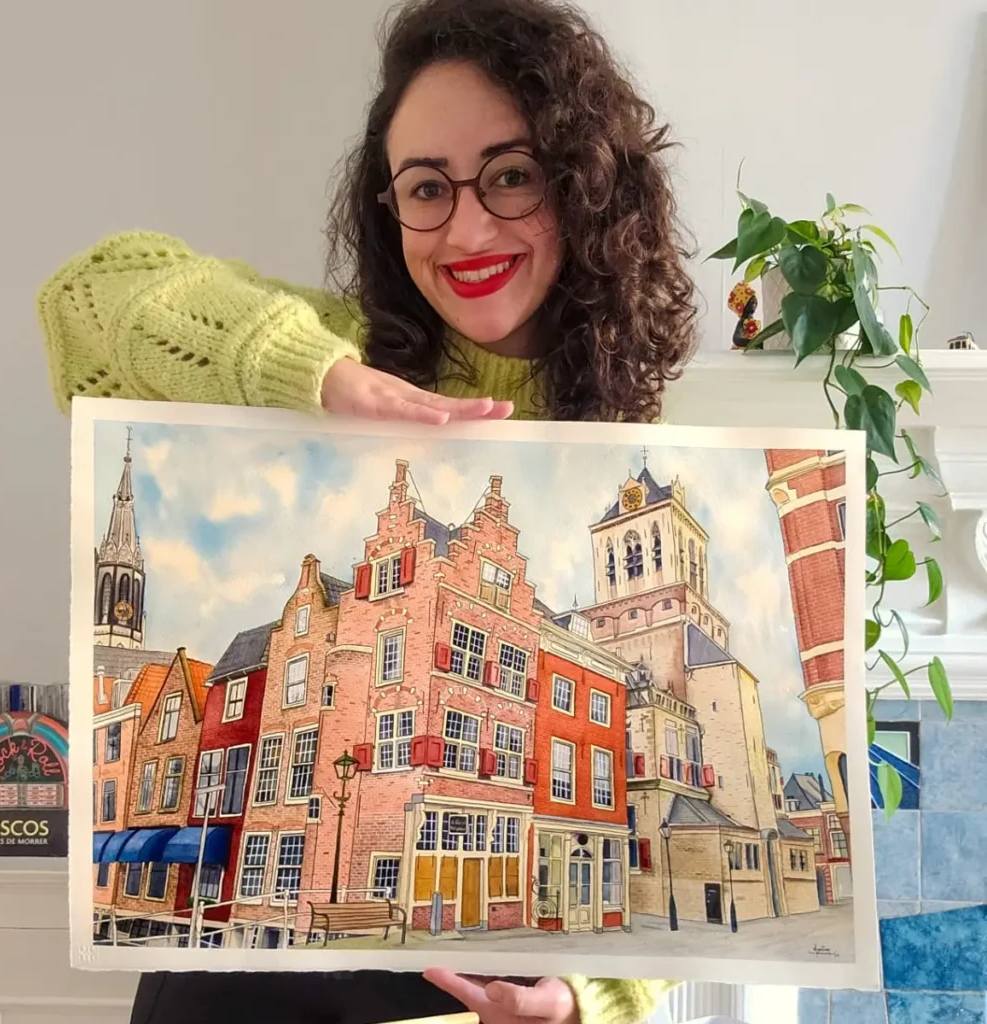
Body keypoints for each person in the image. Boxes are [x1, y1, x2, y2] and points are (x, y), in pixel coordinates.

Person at [38, 0, 697, 1021]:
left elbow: (654, 913)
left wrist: (586, 995)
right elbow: (84, 300)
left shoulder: (646, 446)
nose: (468, 226)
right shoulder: (334, 354)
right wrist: (311, 373)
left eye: (511, 174)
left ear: (582, 183)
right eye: (426, 188)